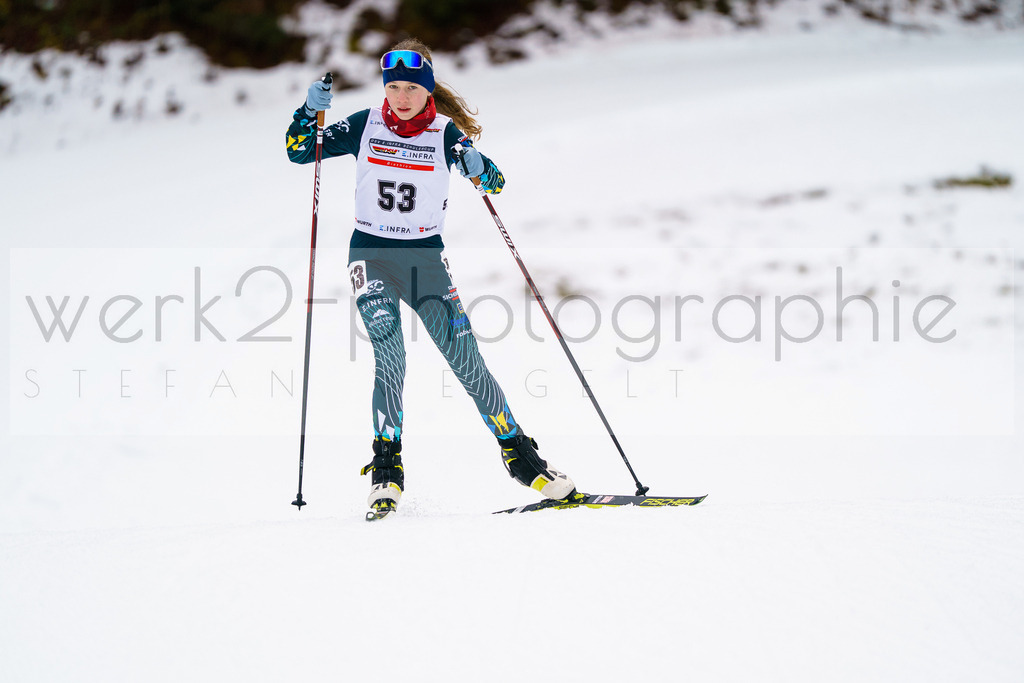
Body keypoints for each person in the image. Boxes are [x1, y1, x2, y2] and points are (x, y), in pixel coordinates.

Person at [285, 38, 576, 517]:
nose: (400, 97)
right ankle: (386, 470)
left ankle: (523, 460)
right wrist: (307, 112)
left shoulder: (444, 134)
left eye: (410, 88)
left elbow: (494, 182)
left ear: (428, 90)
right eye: (393, 86)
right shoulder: (363, 124)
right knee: (389, 352)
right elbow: (300, 151)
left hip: (425, 262)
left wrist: (482, 168)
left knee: (467, 361)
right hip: (371, 257)